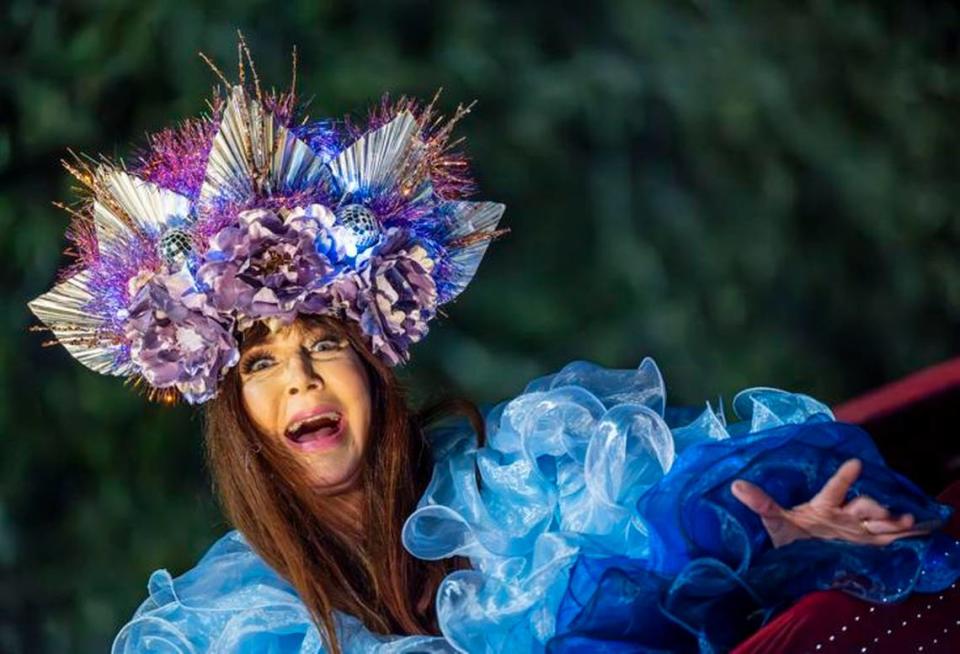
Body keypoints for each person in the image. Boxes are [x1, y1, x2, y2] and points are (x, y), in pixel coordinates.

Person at [28, 42, 960, 653]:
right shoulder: (218, 628)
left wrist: (775, 540)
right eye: (261, 362)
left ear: (374, 365)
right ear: (232, 409)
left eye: (323, 344)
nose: (300, 379)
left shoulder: (529, 471)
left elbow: (708, 510)